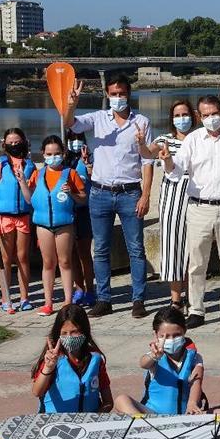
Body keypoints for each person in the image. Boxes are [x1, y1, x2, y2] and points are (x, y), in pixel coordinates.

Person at [65, 74, 156, 319]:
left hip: (130, 192)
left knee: (136, 249)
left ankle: (138, 299)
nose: (117, 98)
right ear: (107, 94)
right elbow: (70, 123)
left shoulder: (142, 122)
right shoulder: (97, 119)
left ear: (129, 94)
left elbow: (148, 161)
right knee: (101, 248)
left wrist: (145, 195)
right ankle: (104, 299)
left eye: (121, 93)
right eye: (113, 94)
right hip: (100, 192)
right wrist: (72, 103)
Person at [160, 95, 220, 327]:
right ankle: (196, 310)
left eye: (214, 113)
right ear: (199, 117)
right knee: (196, 263)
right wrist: (168, 160)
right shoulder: (192, 139)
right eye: (205, 115)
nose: (211, 119)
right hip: (199, 206)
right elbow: (177, 169)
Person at [18, 135, 87, 316]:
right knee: (48, 263)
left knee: (65, 261)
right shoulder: (37, 174)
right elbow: (29, 199)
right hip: (43, 225)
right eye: (49, 153)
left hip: (64, 224)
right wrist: (22, 182)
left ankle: (67, 300)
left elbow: (82, 198)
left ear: (63, 154)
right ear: (43, 154)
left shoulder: (70, 174)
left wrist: (71, 193)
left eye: (57, 153)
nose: (53, 156)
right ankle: (48, 302)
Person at [114, 306, 208, 415]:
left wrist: (192, 403)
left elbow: (196, 382)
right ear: (156, 335)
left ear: (184, 331)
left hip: (185, 415)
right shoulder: (154, 355)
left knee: (219, 411)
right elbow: (143, 363)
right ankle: (143, 423)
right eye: (165, 336)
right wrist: (153, 357)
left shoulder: (195, 358)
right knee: (121, 400)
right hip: (153, 415)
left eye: (176, 335)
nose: (171, 340)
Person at [31, 304, 113, 413]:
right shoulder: (53, 358)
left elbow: (108, 402)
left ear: (84, 331)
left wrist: (94, 418)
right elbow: (37, 392)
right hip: (57, 422)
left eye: (74, 332)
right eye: (64, 333)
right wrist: (48, 368)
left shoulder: (95, 359)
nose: (69, 337)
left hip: (89, 422)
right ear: (58, 334)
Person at [154, 100, 195, 312]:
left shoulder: (200, 138)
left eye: (185, 114)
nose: (181, 118)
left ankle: (192, 297)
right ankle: (176, 299)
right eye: (177, 115)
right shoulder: (165, 140)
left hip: (196, 193)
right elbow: (147, 152)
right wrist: (141, 143)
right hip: (172, 194)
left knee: (193, 248)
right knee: (173, 247)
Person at [0, 127, 36, 312]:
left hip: (23, 215)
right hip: (4, 216)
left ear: (24, 142)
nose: (14, 145)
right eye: (10, 143)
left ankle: (24, 297)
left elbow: (31, 195)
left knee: (23, 257)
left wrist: (22, 181)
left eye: (17, 142)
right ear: (4, 144)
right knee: (5, 258)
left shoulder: (30, 166)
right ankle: (6, 297)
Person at [64, 129, 95, 306]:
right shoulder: (64, 160)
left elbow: (95, 178)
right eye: (72, 139)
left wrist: (88, 164)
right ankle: (79, 288)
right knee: (72, 254)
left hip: (84, 211)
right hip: (68, 211)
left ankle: (90, 289)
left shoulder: (89, 159)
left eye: (78, 139)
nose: (75, 142)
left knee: (84, 253)